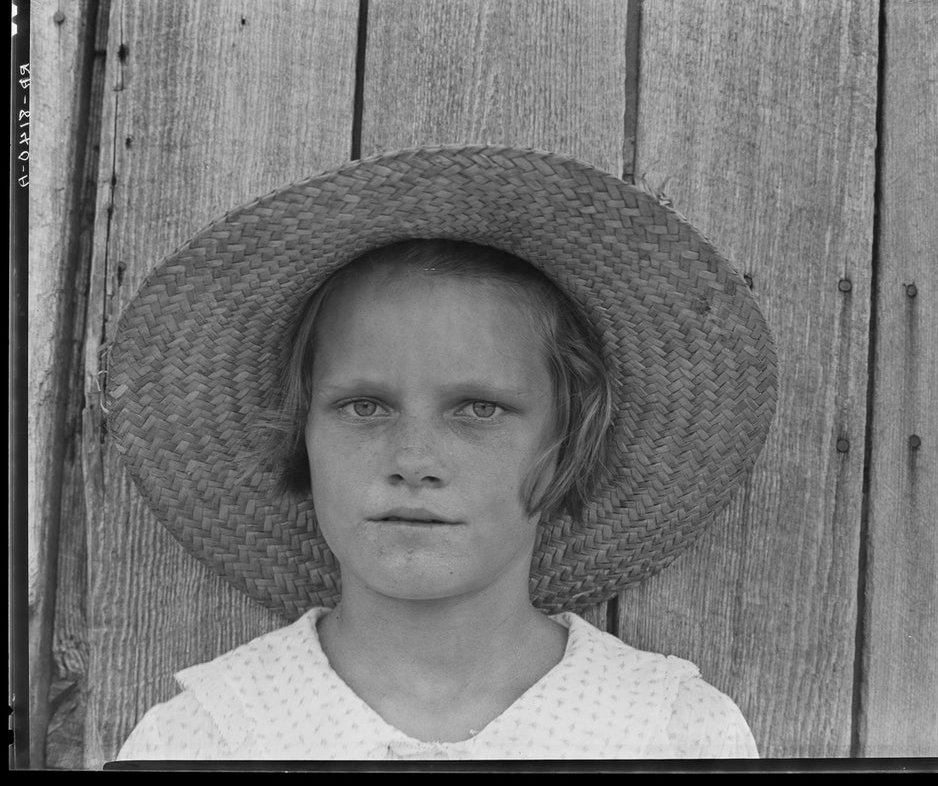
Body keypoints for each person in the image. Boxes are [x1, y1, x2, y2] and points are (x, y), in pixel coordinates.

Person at [107, 145, 777, 761]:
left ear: (567, 439)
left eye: (479, 408)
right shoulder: (203, 740)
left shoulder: (671, 735)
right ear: (301, 433)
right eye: (363, 406)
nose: (414, 458)